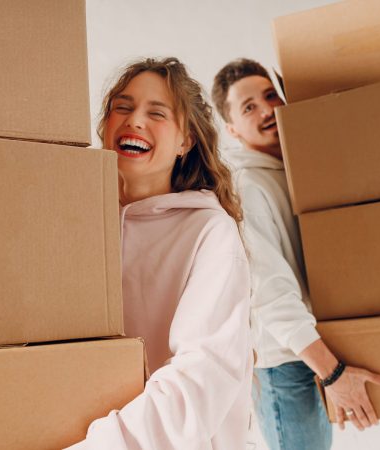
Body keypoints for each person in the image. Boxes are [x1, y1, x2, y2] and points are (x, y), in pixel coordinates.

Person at [65, 57, 254, 449]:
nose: (135, 120)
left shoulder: (210, 233)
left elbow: (200, 378)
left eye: (157, 113)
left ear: (186, 141)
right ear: (104, 126)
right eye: (123, 107)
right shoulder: (71, 226)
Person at [211, 58, 380, 450]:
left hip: (313, 350)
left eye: (270, 96)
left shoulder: (300, 172)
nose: (266, 110)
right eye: (248, 107)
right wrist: (332, 374)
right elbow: (270, 293)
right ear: (232, 130)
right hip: (285, 364)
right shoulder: (247, 186)